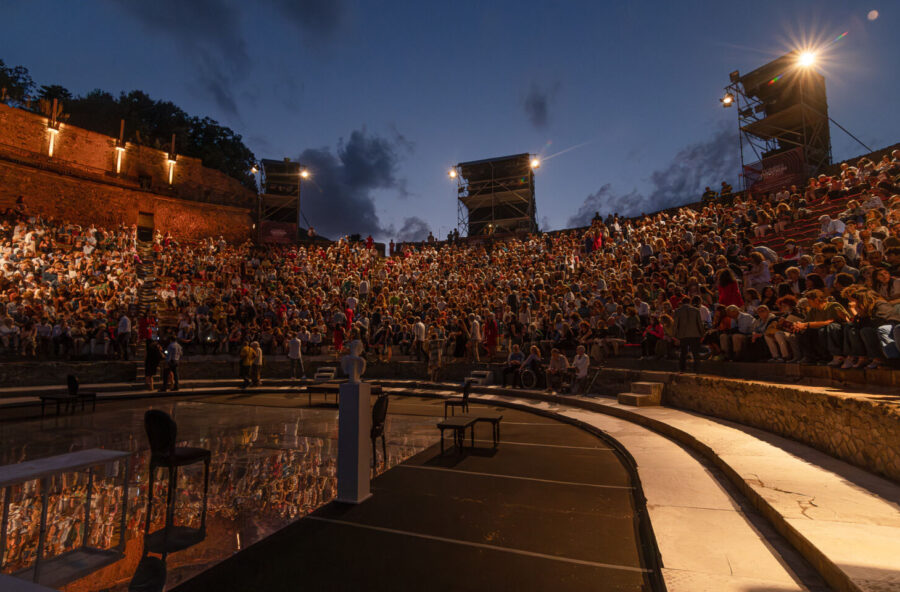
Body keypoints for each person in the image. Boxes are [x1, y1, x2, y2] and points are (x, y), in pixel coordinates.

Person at [673, 296, 704, 373]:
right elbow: (700, 324)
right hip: (695, 334)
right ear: (690, 302)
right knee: (695, 353)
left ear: (682, 302)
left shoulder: (678, 311)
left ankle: (682, 369)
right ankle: (697, 370)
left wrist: (674, 336)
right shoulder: (696, 310)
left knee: (683, 353)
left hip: (683, 335)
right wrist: (702, 334)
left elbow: (675, 325)